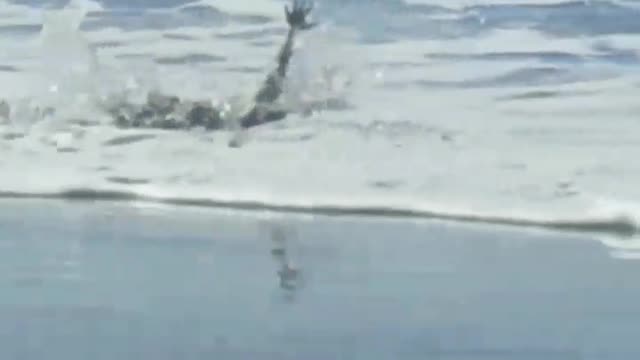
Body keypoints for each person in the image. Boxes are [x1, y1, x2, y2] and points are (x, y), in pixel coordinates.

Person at [105, 0, 316, 132]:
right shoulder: (245, 115)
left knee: (130, 113)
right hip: (202, 116)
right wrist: (293, 31)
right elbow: (278, 72)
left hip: (194, 117)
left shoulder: (243, 115)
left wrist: (293, 31)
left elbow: (279, 72)